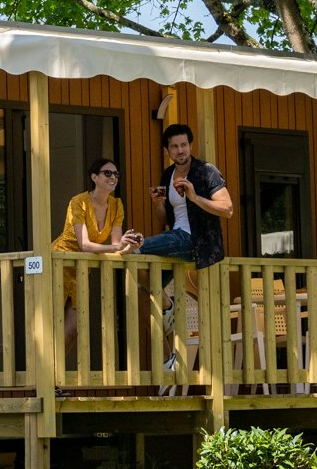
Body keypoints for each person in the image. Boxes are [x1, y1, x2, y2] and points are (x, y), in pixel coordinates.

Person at [52, 157, 134, 353]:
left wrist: (130, 244)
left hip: (81, 269)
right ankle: (44, 378)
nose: (113, 177)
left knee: (73, 329)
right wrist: (117, 248)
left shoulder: (116, 205)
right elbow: (85, 244)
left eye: (116, 174)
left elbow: (117, 244)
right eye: (107, 173)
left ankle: (52, 376)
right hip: (59, 263)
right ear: (94, 177)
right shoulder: (78, 202)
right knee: (51, 323)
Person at [136, 123, 232, 269]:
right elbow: (164, 219)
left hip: (198, 242)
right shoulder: (168, 175)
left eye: (184, 145)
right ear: (167, 150)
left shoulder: (206, 171)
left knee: (136, 245)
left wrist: (195, 197)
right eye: (174, 146)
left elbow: (228, 209)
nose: (180, 150)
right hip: (175, 238)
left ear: (190, 146)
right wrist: (158, 203)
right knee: (144, 280)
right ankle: (158, 292)